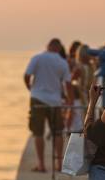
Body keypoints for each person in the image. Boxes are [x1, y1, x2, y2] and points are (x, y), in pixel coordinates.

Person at [24, 38, 74, 172]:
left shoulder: (37, 58)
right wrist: (69, 102)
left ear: (48, 46)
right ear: (59, 48)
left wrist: (31, 88)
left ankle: (41, 164)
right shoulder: (62, 63)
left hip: (37, 99)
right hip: (55, 102)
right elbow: (68, 84)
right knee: (58, 132)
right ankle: (58, 164)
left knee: (38, 132)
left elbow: (27, 76)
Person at [67, 44, 95, 132]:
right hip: (89, 94)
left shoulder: (79, 67)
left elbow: (70, 81)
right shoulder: (92, 66)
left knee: (80, 120)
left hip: (80, 95)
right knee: (88, 117)